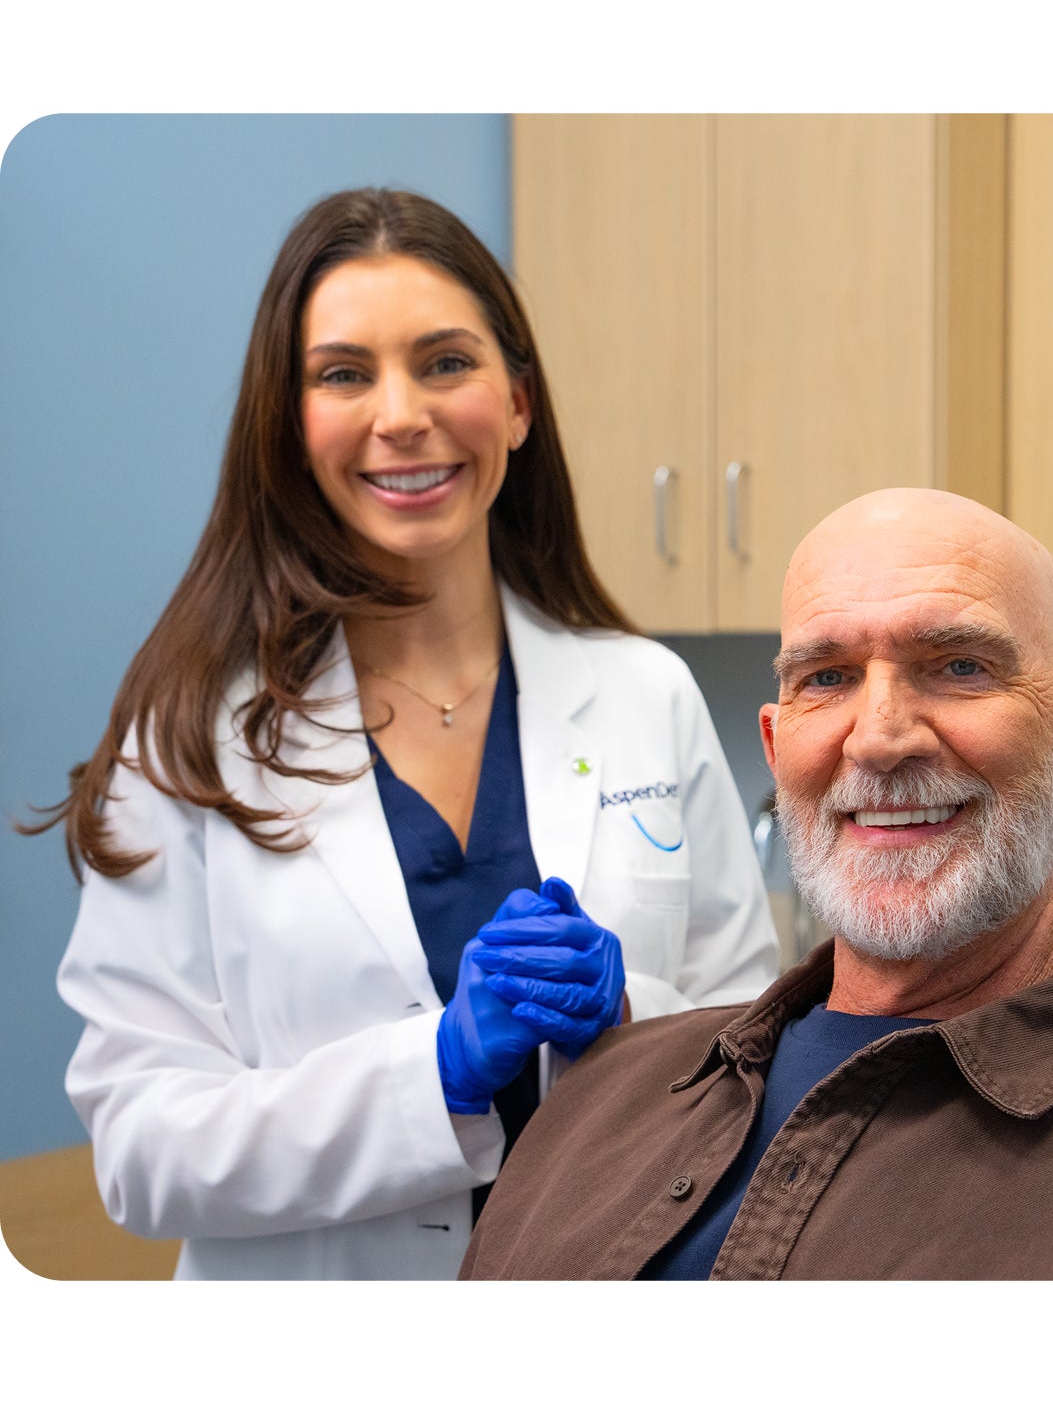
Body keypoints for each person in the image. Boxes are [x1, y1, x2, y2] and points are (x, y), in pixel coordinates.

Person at [38, 188, 779, 1280]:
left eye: (445, 363)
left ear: (518, 403)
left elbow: (752, 1056)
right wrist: (434, 1071)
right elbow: (141, 1147)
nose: (402, 414)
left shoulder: (644, 696)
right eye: (345, 373)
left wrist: (630, 1012)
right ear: (290, 425)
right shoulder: (188, 736)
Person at [457, 488, 1053, 1281]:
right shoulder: (596, 1101)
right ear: (774, 746)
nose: (878, 739)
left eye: (960, 667)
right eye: (827, 678)